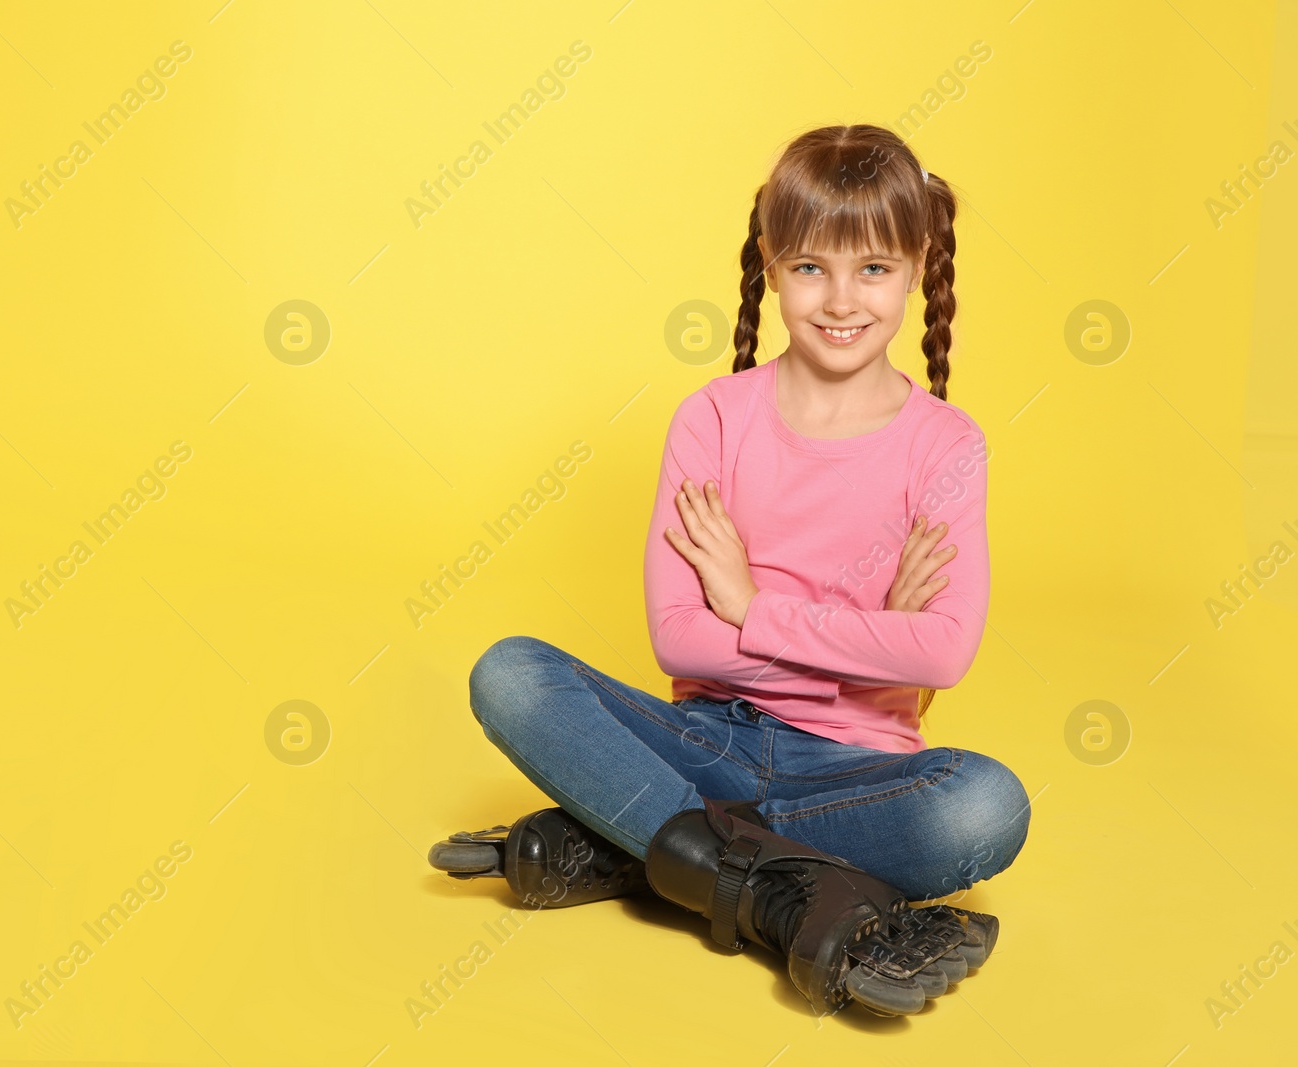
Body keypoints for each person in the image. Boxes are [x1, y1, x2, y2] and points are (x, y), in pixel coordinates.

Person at [437, 124, 1032, 1017]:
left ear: (916, 267)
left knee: (987, 805)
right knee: (511, 673)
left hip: (854, 775)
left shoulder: (948, 446)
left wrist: (750, 605)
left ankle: (640, 842)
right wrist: (876, 641)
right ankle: (775, 897)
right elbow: (680, 636)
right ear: (770, 264)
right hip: (708, 743)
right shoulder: (713, 418)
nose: (840, 299)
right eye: (809, 268)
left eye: (872, 268)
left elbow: (943, 658)